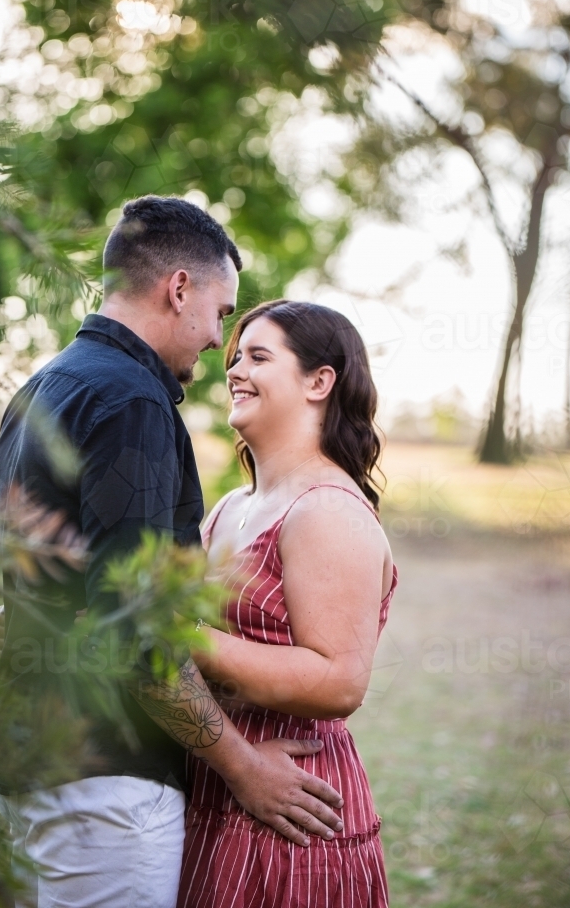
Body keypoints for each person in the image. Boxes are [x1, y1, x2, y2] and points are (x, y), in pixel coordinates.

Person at [0, 197, 343, 908]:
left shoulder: (43, 388)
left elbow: (63, 588)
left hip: (28, 762)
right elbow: (141, 633)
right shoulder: (133, 403)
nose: (217, 344)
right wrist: (244, 769)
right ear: (179, 288)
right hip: (105, 788)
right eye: (220, 314)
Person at [177, 299, 397, 908]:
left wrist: (178, 633)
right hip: (222, 776)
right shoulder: (228, 507)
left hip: (293, 811)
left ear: (319, 382)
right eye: (235, 357)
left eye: (259, 357)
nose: (235, 371)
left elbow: (338, 682)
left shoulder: (327, 509)